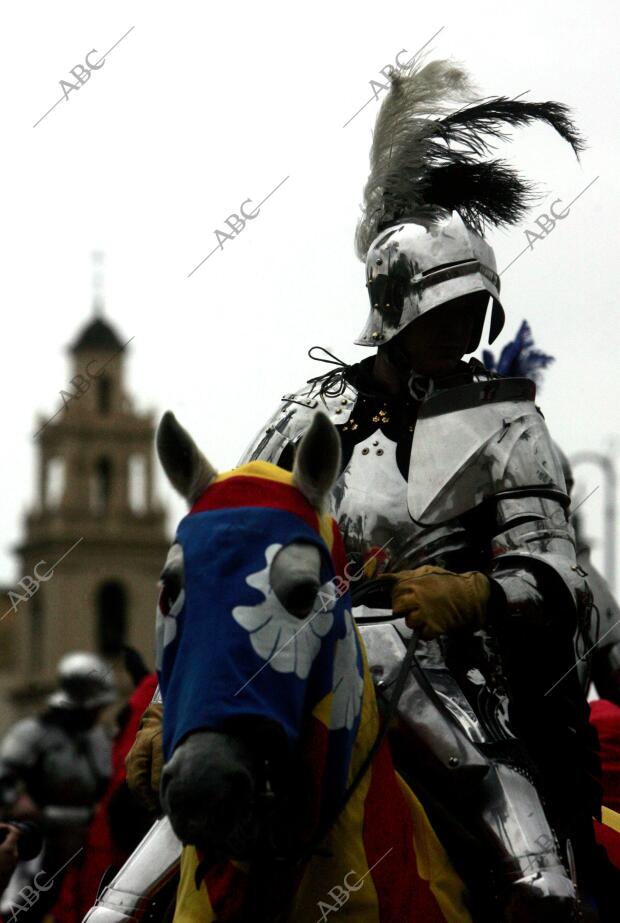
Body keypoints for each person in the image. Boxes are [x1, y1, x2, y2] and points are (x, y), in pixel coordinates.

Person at [238, 57, 614, 918]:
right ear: (394, 309)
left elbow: (561, 576)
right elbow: (234, 541)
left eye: (473, 315)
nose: (464, 331)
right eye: (443, 313)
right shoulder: (309, 414)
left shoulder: (506, 421)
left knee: (545, 884)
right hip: (307, 676)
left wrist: (475, 590)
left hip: (465, 687)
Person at [0, 653, 115, 923]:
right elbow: (3, 777)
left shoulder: (98, 737)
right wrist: (17, 800)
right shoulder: (32, 733)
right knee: (23, 910)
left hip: (87, 842)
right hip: (39, 842)